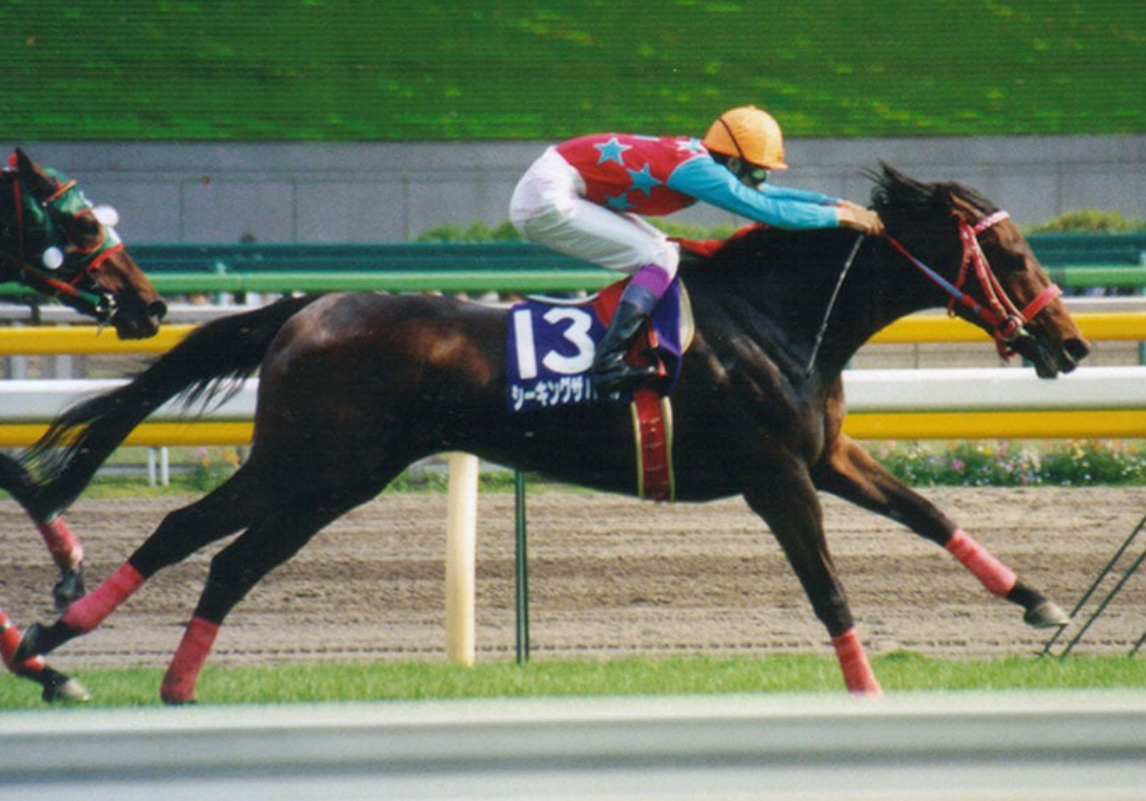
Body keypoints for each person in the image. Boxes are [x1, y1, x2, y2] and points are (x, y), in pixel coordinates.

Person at [509, 105, 884, 393]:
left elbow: (767, 194)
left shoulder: (705, 161)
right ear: (733, 161)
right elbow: (768, 210)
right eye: (758, 170)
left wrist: (832, 203)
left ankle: (625, 347)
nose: (762, 179)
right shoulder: (698, 171)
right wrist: (835, 217)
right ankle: (608, 362)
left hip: (561, 184)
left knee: (663, 251)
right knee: (660, 256)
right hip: (546, 196)